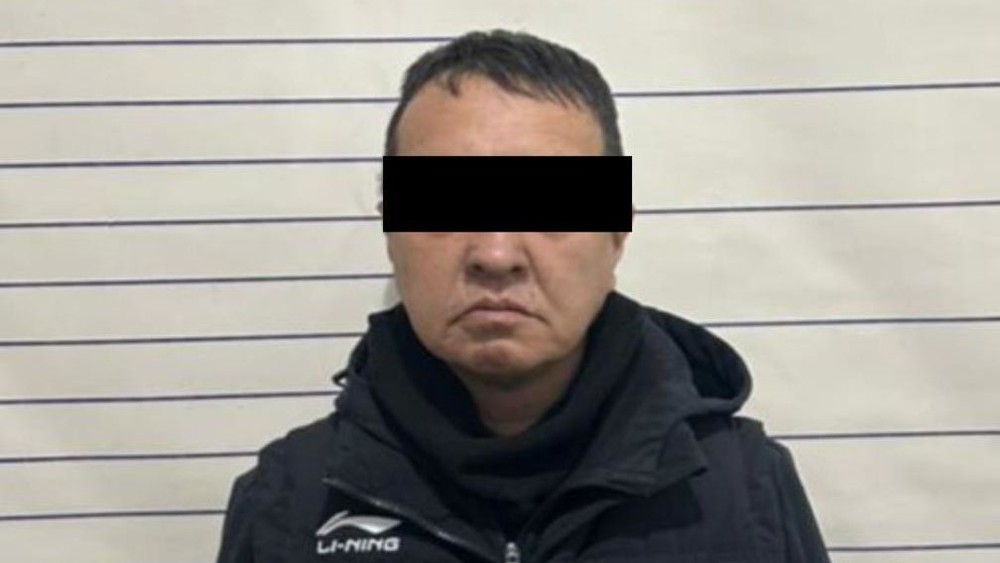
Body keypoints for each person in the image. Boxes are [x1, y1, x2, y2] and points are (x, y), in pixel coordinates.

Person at [215, 29, 831, 562]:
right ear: (391, 228)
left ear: (617, 230)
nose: (496, 254)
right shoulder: (291, 500)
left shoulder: (744, 489)